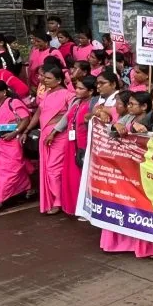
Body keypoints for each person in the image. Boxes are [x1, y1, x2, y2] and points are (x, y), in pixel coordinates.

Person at [26, 66, 74, 215]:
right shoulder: (46, 94)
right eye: (44, 77)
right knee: (47, 168)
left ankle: (58, 201)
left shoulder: (68, 94)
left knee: (53, 169)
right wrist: (27, 130)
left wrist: (54, 131)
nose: (43, 80)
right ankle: (54, 199)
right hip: (45, 134)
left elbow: (69, 115)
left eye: (48, 78)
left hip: (59, 135)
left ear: (59, 80)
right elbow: (38, 114)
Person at [0, 80, 33, 212]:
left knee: (9, 171)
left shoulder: (13, 102)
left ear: (4, 92)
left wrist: (15, 132)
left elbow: (25, 118)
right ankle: (26, 188)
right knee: (2, 171)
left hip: (12, 143)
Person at [59, 75, 98, 217]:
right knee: (71, 175)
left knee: (83, 176)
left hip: (84, 144)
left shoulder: (94, 105)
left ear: (91, 91)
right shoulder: (76, 103)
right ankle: (73, 205)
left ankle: (84, 208)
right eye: (77, 87)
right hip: (71, 143)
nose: (77, 90)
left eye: (81, 88)